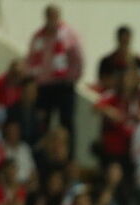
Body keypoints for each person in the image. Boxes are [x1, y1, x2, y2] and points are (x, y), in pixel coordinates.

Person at [26, 4, 84, 151]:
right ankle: (41, 154)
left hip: (63, 85)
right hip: (43, 86)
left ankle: (68, 156)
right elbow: (30, 59)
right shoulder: (38, 37)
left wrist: (72, 77)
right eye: (49, 16)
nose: (51, 19)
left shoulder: (68, 34)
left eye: (54, 16)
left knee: (66, 122)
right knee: (41, 122)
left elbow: (77, 58)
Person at [97, 25, 140, 92]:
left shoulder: (139, 61)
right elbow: (103, 81)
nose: (125, 42)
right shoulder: (107, 61)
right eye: (123, 39)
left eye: (126, 39)